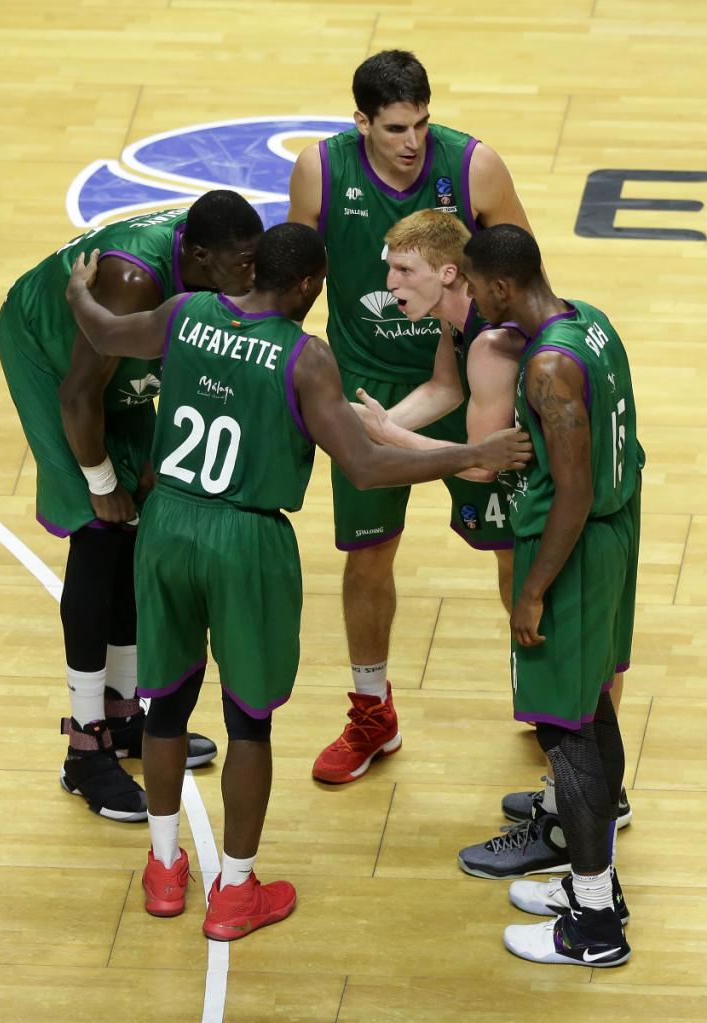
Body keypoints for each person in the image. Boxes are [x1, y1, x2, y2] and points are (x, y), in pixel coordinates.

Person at [64, 222, 532, 940]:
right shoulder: (305, 357)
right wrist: (472, 453)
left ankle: (163, 871)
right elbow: (366, 467)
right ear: (311, 284)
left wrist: (76, 291)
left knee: (165, 705)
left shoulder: (188, 312)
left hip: (165, 528)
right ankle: (236, 892)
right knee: (247, 718)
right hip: (245, 538)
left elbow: (104, 330)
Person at [287, 49, 539, 785]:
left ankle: (543, 691)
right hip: (367, 383)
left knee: (513, 551)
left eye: (422, 123)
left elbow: (521, 275)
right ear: (360, 120)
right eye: (395, 127)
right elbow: (296, 283)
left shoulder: (473, 167)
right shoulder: (321, 171)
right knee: (366, 559)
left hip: (471, 371)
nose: (412, 141)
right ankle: (372, 710)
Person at [355, 209, 632, 878]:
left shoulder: (497, 345)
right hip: (602, 516)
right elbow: (445, 391)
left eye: (402, 269)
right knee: (574, 671)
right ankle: (586, 798)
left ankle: (568, 817)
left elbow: (481, 463)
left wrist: (386, 440)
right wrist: (369, 422)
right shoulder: (532, 322)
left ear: (458, 275)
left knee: (556, 675)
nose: (387, 283)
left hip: (553, 520)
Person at [0, 192, 263, 822]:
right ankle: (85, 749)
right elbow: (80, 392)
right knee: (98, 533)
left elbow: (189, 366)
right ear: (198, 256)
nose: (254, 276)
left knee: (141, 526)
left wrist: (156, 449)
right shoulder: (130, 280)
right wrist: (98, 477)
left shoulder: (213, 267)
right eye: (244, 264)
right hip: (54, 361)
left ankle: (122, 716)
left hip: (114, 370)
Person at [456, 224, 643, 967]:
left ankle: (593, 926)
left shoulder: (547, 369)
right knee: (589, 708)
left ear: (501, 287)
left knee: (564, 734)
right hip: (613, 533)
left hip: (573, 548)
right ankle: (594, 887)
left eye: (472, 285)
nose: (469, 297)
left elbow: (570, 491)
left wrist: (530, 591)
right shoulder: (589, 322)